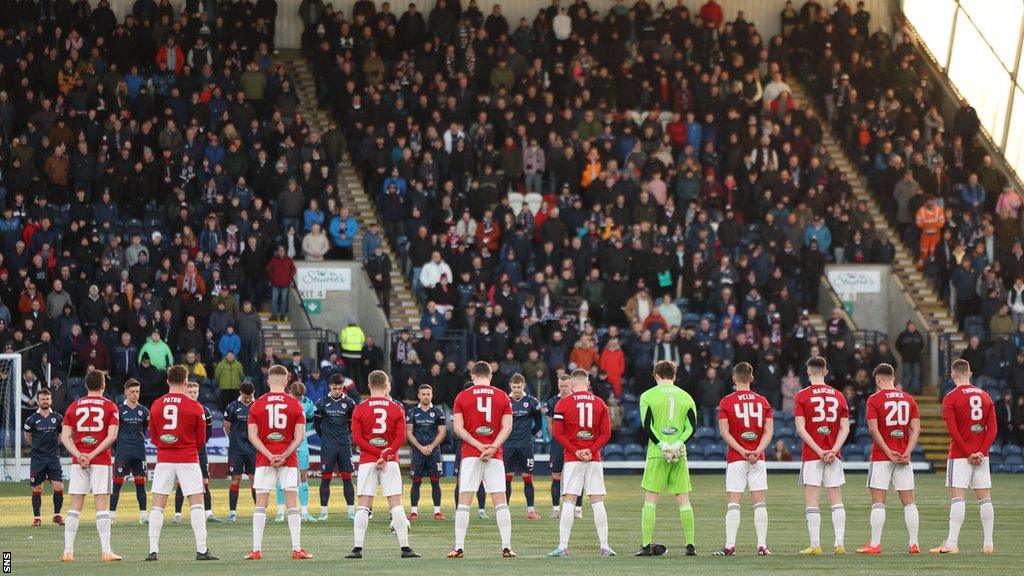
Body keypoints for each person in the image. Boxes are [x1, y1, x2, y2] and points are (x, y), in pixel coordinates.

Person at [146, 365, 218, 561]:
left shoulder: (156, 404)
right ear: (186, 382)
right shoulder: (195, 406)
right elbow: (201, 440)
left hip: (164, 459)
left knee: (158, 506)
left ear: (168, 381)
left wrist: (166, 444)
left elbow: (153, 436)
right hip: (188, 458)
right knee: (196, 505)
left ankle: (153, 551)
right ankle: (202, 550)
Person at [346, 370, 421, 558]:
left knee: (363, 504)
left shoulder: (360, 408)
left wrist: (376, 453)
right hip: (389, 461)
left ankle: (357, 549)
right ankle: (405, 548)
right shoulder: (396, 408)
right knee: (395, 504)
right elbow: (400, 437)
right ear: (387, 386)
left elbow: (357, 438)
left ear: (369, 386)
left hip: (367, 461)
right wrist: (385, 453)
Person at [245, 364, 314, 560]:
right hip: (289, 460)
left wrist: (269, 454)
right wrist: (283, 455)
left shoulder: (257, 404)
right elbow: (300, 436)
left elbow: (252, 435)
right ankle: (296, 549)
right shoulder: (295, 405)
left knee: (261, 504)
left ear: (268, 381)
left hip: (264, 460)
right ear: (286, 381)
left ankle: (256, 550)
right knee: (292, 503)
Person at [448, 361, 516, 559]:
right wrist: (493, 447)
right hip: (495, 455)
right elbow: (507, 427)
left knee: (464, 501)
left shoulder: (462, 396)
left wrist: (479, 446)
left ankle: (459, 548)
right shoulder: (502, 396)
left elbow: (458, 428)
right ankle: (506, 547)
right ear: (490, 376)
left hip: (471, 453)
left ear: (472, 376)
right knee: (500, 500)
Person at [930, 359, 997, 555]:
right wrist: (981, 451)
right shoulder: (985, 396)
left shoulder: (950, 398)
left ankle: (951, 543)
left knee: (957, 498)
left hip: (961, 455)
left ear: (952, 375)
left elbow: (952, 430)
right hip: (981, 455)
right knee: (985, 498)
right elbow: (992, 429)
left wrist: (968, 452)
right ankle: (989, 543)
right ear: (970, 373)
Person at [548, 369, 614, 557]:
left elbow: (557, 433)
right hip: (593, 459)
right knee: (597, 501)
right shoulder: (600, 403)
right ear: (588, 382)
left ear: (572, 384)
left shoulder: (563, 403)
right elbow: (606, 433)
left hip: (572, 458)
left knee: (569, 500)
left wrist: (576, 450)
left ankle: (563, 546)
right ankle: (604, 546)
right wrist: (591, 450)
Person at [857, 363, 921, 555]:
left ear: (877, 380)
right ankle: (914, 543)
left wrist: (887, 450)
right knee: (909, 502)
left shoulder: (874, 399)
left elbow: (873, 429)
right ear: (893, 378)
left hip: (881, 456)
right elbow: (916, 428)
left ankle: (875, 544)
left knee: (878, 502)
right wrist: (908, 451)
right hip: (903, 455)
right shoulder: (909, 399)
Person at [637, 360, 698, 557]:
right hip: (679, 454)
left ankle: (646, 545)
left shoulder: (647, 395)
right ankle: (690, 546)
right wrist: (678, 444)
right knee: (684, 500)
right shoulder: (686, 397)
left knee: (651, 499)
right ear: (674, 376)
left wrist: (663, 445)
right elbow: (692, 427)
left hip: (657, 453)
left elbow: (647, 426)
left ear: (655, 375)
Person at [59, 370, 121, 562]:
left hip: (80, 461)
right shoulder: (110, 407)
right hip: (100, 460)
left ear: (86, 386)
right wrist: (93, 454)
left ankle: (68, 552)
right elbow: (112, 436)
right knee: (101, 504)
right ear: (104, 385)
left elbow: (64, 437)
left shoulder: (74, 406)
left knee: (75, 503)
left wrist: (80, 455)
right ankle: (106, 551)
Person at [714, 362, 774, 556]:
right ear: (752, 378)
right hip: (758, 458)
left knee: (733, 502)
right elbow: (769, 431)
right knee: (759, 502)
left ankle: (730, 545)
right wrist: (757, 450)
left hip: (736, 458)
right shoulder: (763, 401)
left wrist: (742, 451)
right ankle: (762, 545)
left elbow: (724, 432)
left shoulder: (726, 401)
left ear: (734, 378)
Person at [793, 356, 851, 556]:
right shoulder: (839, 395)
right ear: (826, 372)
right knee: (836, 499)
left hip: (812, 455)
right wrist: (833, 449)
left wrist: (819, 451)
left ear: (808, 372)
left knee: (812, 500)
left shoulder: (801, 396)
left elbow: (800, 429)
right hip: (834, 455)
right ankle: (839, 544)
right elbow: (845, 428)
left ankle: (816, 544)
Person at [173, 381, 220, 523]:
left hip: (200, 450)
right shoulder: (180, 410)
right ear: (185, 392)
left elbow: (208, 433)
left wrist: (199, 445)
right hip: (184, 451)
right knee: (181, 481)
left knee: (204, 481)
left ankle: (208, 514)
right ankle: (177, 515)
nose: (193, 395)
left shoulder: (205, 411)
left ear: (198, 393)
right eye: (190, 392)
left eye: (195, 392)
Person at [313, 373, 358, 521]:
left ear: (343, 387)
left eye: (340, 388)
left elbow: (353, 425)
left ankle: (351, 512)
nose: (337, 391)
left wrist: (345, 436)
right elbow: (316, 425)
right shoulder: (321, 403)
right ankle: (324, 512)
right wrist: (325, 438)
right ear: (330, 387)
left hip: (344, 445)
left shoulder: (350, 403)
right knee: (326, 478)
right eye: (335, 388)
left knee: (347, 477)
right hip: (328, 446)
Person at [275, 381, 316, 522]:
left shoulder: (309, 404)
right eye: (295, 397)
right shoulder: (281, 402)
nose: (297, 400)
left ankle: (304, 512)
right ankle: (280, 512)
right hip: (285, 444)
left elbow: (309, 422)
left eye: (300, 398)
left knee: (303, 476)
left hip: (302, 443)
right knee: (282, 476)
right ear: (289, 392)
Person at [110, 379, 149, 524]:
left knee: (140, 483)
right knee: (117, 483)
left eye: (137, 391)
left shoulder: (144, 411)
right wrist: (119, 447)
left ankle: (143, 515)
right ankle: (111, 515)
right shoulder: (118, 410)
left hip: (139, 451)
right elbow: (113, 433)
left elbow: (144, 429)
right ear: (125, 392)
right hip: (123, 451)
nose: (135, 394)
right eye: (132, 392)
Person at [405, 384, 447, 520]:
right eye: (423, 394)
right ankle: (413, 512)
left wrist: (431, 446)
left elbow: (442, 432)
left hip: (434, 452)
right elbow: (409, 433)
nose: (426, 396)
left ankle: (437, 512)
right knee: (416, 482)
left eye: (428, 394)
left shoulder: (438, 412)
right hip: (418, 452)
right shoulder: (412, 413)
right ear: (418, 396)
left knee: (435, 481)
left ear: (432, 395)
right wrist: (421, 447)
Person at [24, 387, 65, 526]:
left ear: (51, 400)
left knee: (59, 487)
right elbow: (28, 437)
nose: (45, 401)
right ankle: (37, 517)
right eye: (42, 399)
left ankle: (57, 515)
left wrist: (54, 446)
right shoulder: (31, 419)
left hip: (53, 457)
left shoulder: (58, 418)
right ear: (38, 401)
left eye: (47, 398)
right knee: (37, 488)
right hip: (38, 458)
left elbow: (61, 435)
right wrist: (37, 446)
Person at [505, 373, 543, 519]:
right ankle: (505, 510)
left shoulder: (532, 402)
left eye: (519, 387)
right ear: (510, 386)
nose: (516, 390)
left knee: (527, 477)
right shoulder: (504, 401)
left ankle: (531, 511)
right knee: (507, 477)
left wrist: (529, 435)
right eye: (514, 387)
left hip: (525, 445)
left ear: (524, 386)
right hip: (508, 445)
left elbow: (538, 423)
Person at [546, 375, 582, 518]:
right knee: (556, 475)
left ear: (572, 385)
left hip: (575, 442)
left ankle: (578, 510)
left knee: (577, 475)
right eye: (561, 386)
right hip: (558, 444)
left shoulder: (577, 401)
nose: (563, 389)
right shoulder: (552, 402)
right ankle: (556, 509)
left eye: (566, 386)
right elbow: (550, 424)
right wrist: (558, 436)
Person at [224, 381, 257, 522]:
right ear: (240, 393)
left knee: (255, 481)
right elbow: (227, 427)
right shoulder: (232, 407)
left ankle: (260, 512)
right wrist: (236, 439)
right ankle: (232, 513)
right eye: (245, 397)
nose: (248, 399)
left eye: (250, 397)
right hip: (236, 449)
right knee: (236, 480)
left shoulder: (258, 406)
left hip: (253, 449)